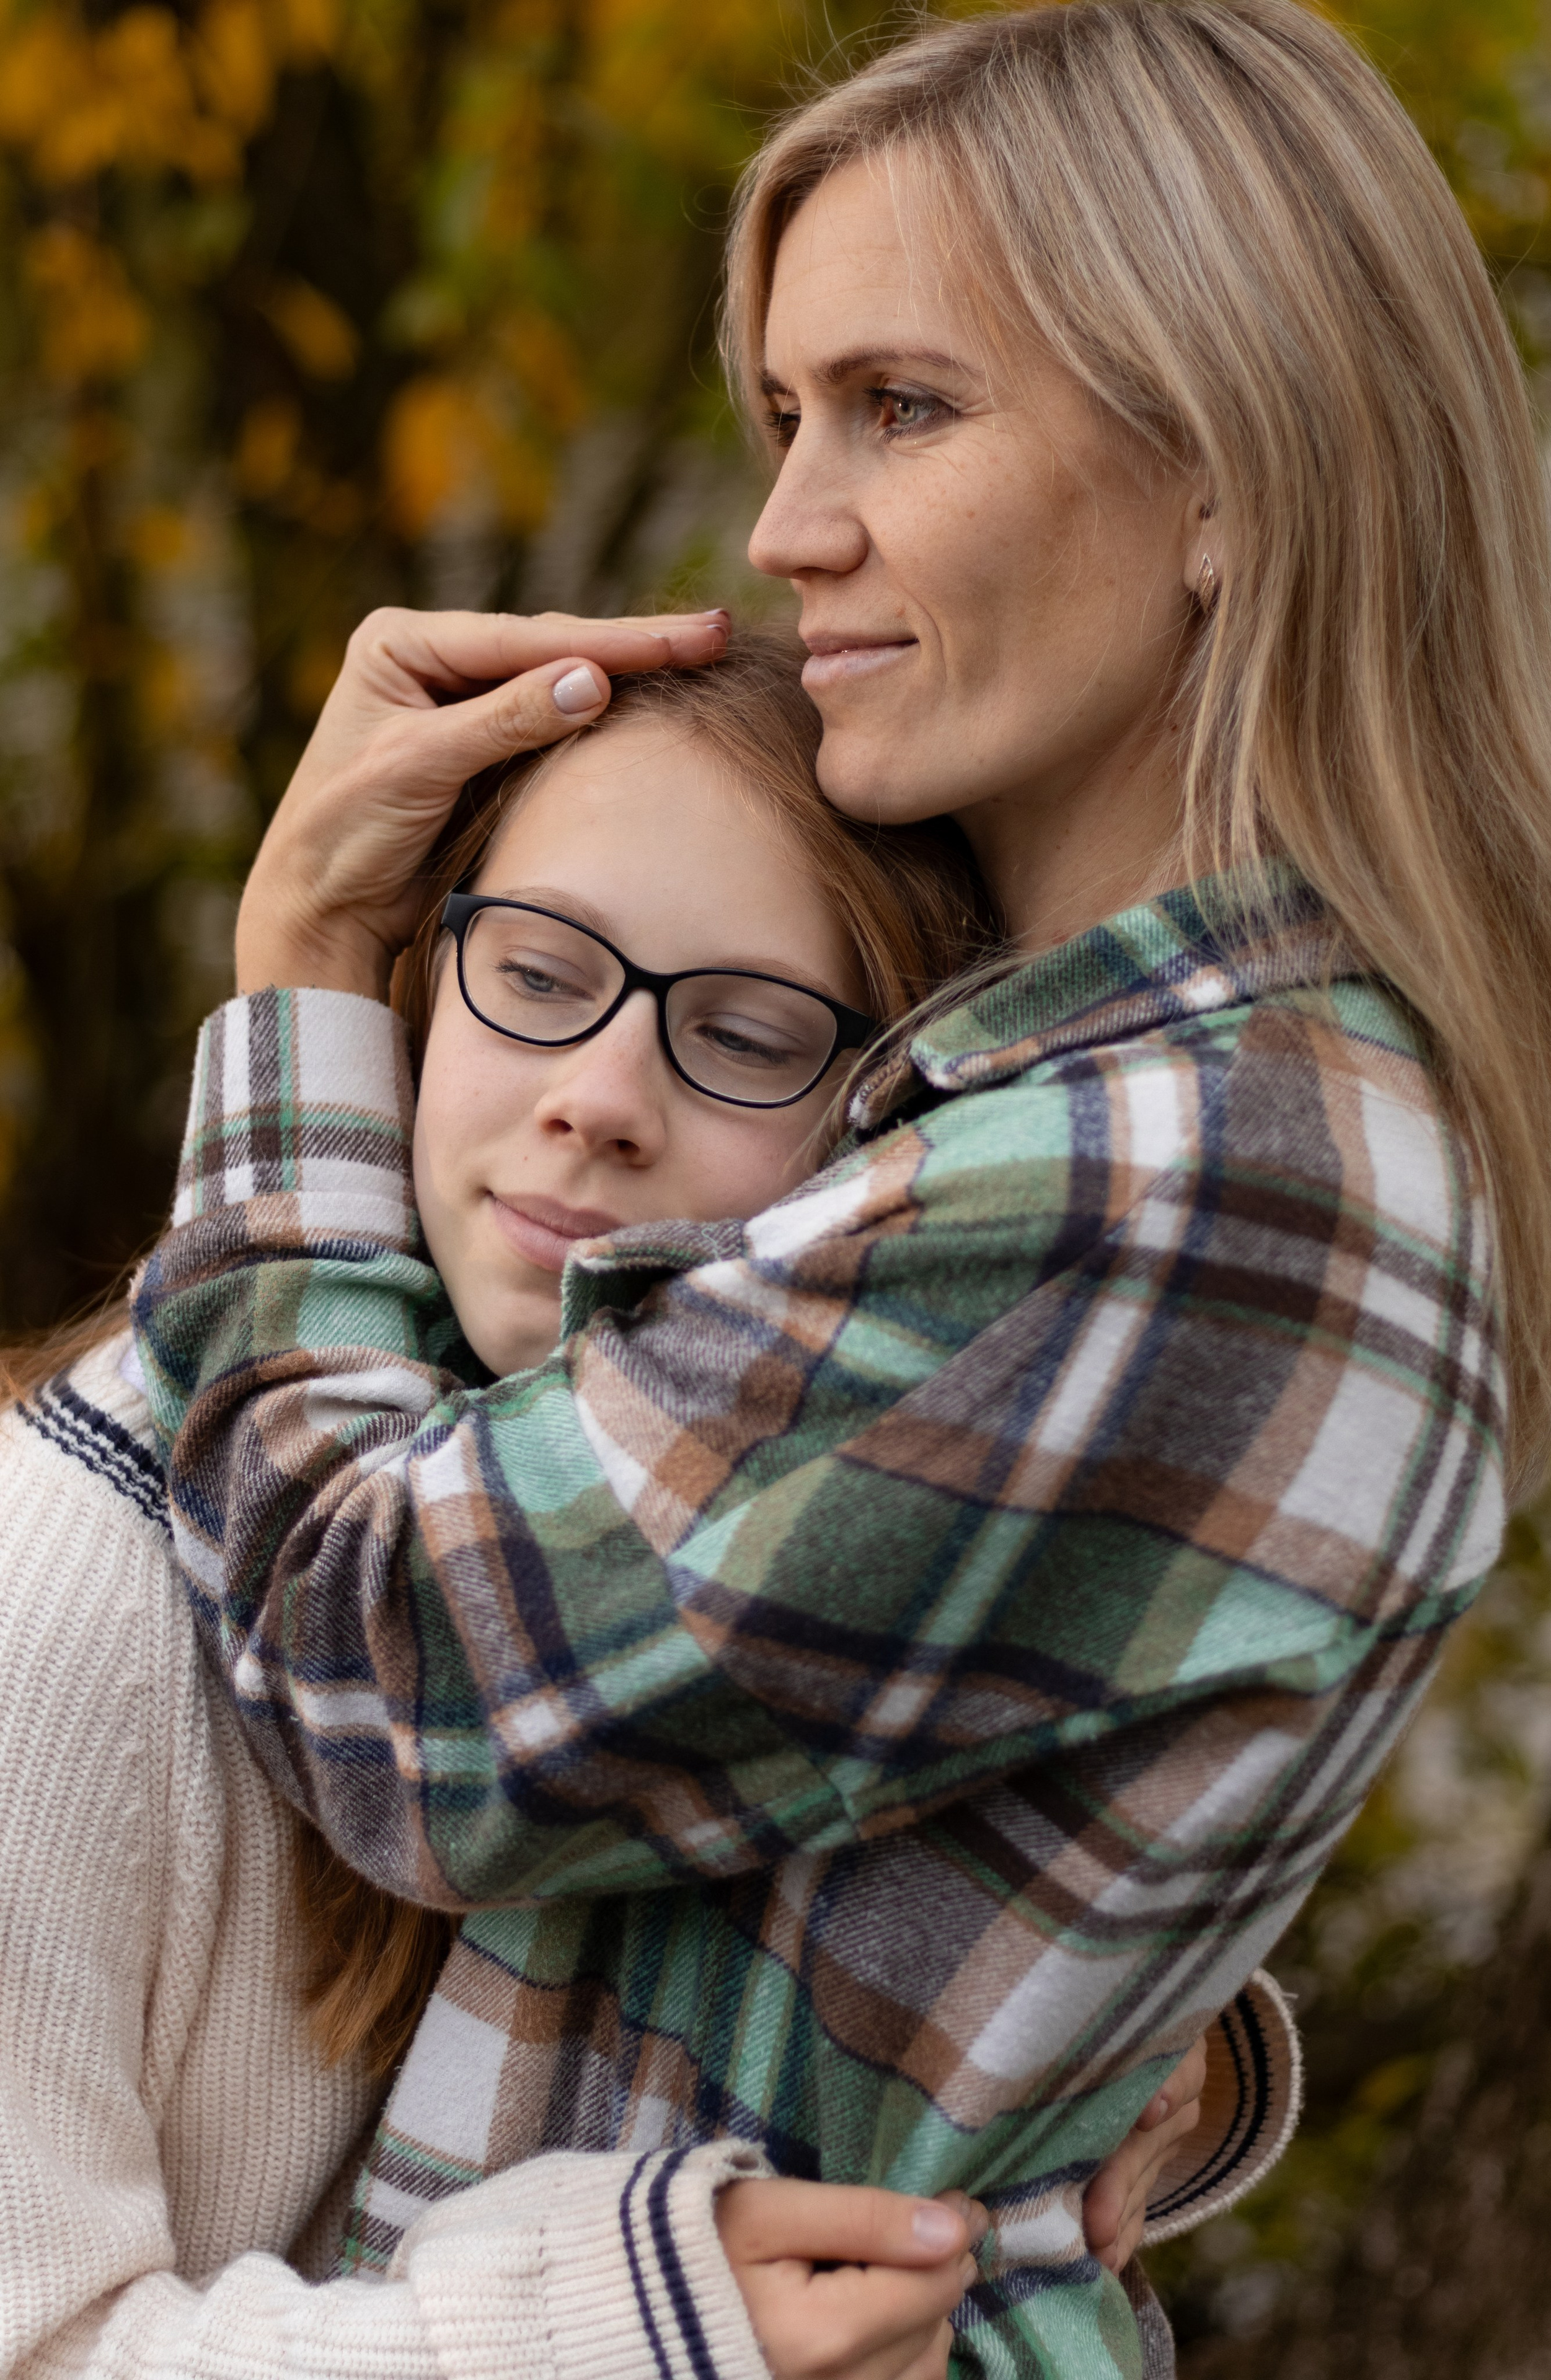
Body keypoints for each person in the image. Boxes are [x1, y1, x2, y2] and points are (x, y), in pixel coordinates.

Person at [130, 1, 1551, 2373]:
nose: (789, 526)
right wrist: (1142, 2052)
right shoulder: (1126, 1099)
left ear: (1230, 475)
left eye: (903, 407)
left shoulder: (1184, 1169)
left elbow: (398, 1680)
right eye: (787, 415)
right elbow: (820, 1759)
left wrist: (300, 982)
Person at [0, 634, 1237, 2380]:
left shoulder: (776, 1531)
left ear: (893, 1168)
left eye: (744, 1036)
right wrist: (617, 2338)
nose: (595, 1099)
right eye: (535, 971)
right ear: (422, 987)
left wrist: (1143, 2040)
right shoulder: (70, 1586)